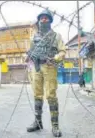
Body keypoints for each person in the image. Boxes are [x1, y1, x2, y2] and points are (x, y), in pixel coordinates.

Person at [25, 9, 66, 137]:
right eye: (41, 18)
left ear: (50, 20)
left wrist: (55, 58)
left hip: (49, 67)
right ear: (39, 20)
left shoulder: (56, 36)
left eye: (46, 18)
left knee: (51, 95)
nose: (43, 19)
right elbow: (30, 52)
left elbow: (62, 51)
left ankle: (55, 126)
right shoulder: (33, 37)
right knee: (37, 94)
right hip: (36, 67)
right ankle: (38, 122)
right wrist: (28, 57)